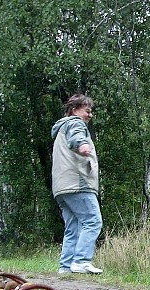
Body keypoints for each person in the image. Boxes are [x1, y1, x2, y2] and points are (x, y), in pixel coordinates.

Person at [51, 93, 103, 274]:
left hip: (61, 187)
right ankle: (81, 261)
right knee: (93, 220)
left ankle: (65, 267)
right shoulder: (74, 123)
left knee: (72, 226)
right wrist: (82, 145)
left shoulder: (60, 129)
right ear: (74, 110)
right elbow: (77, 136)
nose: (90, 115)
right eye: (87, 111)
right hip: (77, 183)